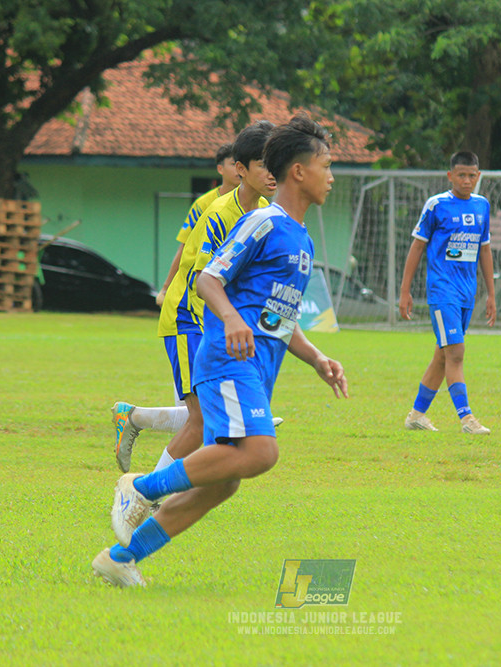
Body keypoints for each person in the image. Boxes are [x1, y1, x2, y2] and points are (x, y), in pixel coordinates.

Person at [92, 113, 347, 587]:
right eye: (326, 165)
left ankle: (120, 558)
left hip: (255, 366)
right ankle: (140, 487)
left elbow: (279, 318)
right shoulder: (264, 221)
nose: (331, 177)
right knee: (262, 452)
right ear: (299, 171)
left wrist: (317, 359)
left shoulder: (302, 238)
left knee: (224, 482)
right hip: (228, 360)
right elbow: (209, 278)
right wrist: (230, 319)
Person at [113, 120, 277, 477]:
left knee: (204, 415)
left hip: (219, 322)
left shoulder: (267, 214)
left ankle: (135, 418)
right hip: (190, 316)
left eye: (275, 162)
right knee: (201, 418)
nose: (272, 172)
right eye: (264, 163)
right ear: (240, 169)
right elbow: (203, 281)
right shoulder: (217, 213)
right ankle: (143, 491)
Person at [398, 150, 496, 435]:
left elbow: (485, 250)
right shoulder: (437, 205)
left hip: (467, 292)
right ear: (450, 175)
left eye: (472, 175)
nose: (467, 181)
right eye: (461, 175)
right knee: (456, 352)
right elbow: (417, 247)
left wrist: (491, 294)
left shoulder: (482, 206)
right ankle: (467, 419)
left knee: (443, 356)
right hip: (442, 291)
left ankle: (416, 415)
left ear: (478, 176)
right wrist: (405, 291)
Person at [155, 143, 238, 308]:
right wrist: (165, 289)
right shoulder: (203, 204)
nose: (238, 169)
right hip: (200, 287)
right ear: (220, 169)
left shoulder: (258, 204)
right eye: (233, 164)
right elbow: (184, 247)